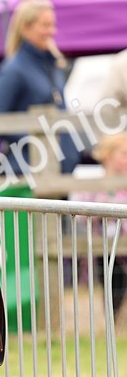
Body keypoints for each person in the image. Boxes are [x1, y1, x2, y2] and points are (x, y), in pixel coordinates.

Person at [0, 0, 79, 174]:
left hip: (58, 171)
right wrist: (37, 139)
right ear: (26, 28)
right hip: (28, 171)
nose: (51, 31)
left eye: (53, 24)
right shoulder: (13, 70)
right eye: (45, 25)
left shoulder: (53, 66)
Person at [71, 132, 127, 316]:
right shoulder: (93, 183)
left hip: (125, 242)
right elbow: (80, 213)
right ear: (108, 155)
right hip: (104, 246)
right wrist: (99, 209)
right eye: (124, 153)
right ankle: (113, 323)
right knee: (111, 285)